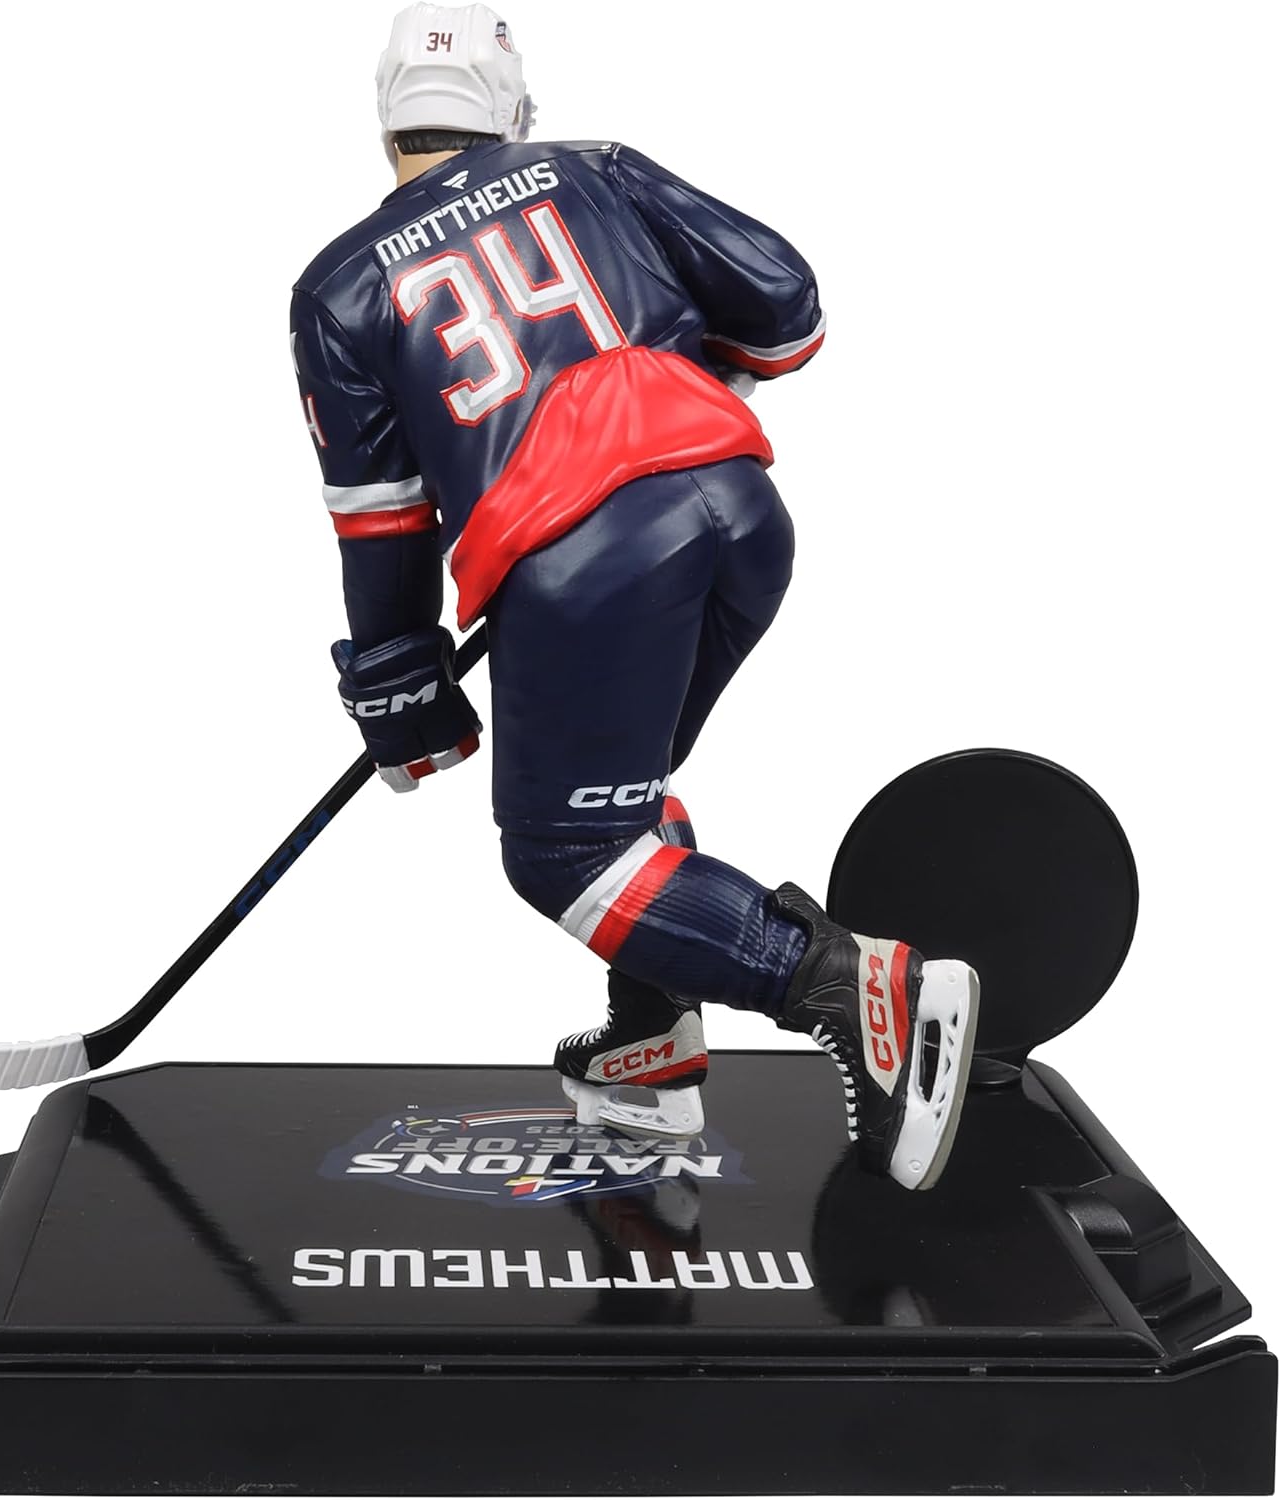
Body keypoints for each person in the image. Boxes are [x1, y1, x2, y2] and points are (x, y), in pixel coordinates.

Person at [291, 2, 979, 1189]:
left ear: (383, 125)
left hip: (588, 569)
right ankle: (653, 1039)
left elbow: (383, 517)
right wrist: (676, 376)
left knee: (564, 852)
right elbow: (786, 309)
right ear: (513, 111)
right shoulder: (594, 169)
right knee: (622, 790)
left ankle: (856, 985)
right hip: (742, 517)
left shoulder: (339, 287)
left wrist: (402, 686)